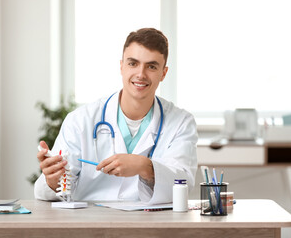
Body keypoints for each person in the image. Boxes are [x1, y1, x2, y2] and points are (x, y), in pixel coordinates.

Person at [35, 28, 197, 204]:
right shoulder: (81, 120)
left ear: (163, 73)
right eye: (133, 63)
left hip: (150, 224)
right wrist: (52, 180)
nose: (141, 74)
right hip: (90, 223)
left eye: (151, 66)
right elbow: (57, 188)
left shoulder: (181, 122)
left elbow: (183, 183)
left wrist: (144, 166)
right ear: (121, 66)